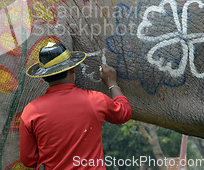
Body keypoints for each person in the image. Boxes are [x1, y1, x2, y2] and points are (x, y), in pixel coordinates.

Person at [19, 42, 132, 170]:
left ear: (44, 78)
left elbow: (28, 159)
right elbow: (124, 113)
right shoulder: (94, 100)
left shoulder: (30, 112)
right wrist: (112, 83)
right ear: (72, 69)